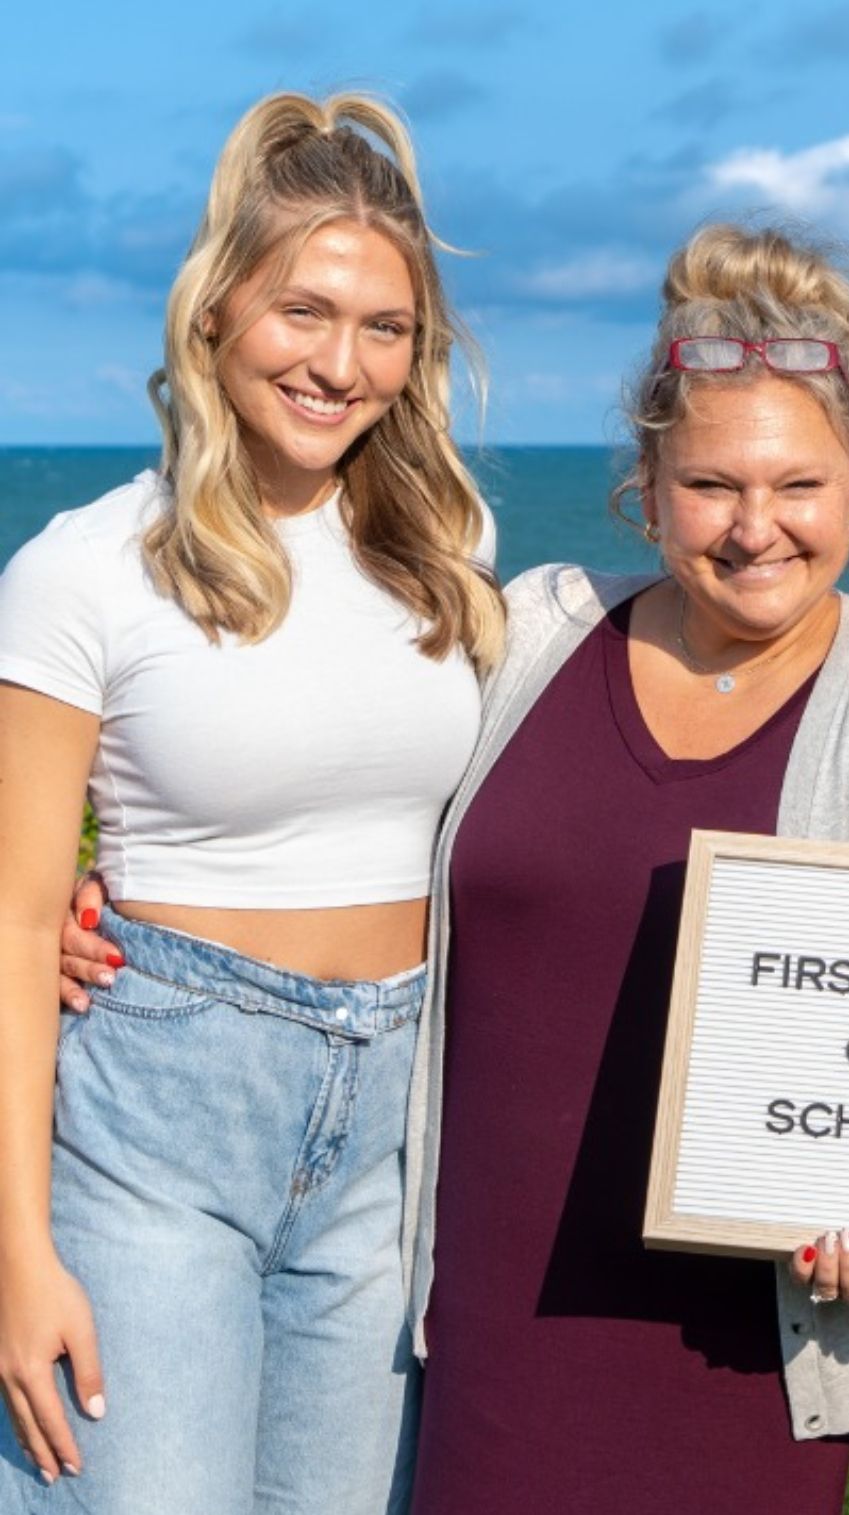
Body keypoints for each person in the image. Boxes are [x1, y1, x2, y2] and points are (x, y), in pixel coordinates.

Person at [398, 224, 849, 1514]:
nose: (754, 530)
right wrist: (129, 900)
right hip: (461, 1323)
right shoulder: (535, 626)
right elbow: (357, 823)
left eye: (798, 485)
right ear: (646, 481)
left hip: (738, 1353)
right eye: (711, 485)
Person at [0, 94, 501, 1512]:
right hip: (159, 1116)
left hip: (396, 1118)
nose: (341, 363)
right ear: (215, 311)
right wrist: (14, 1256)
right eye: (303, 310)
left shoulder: (448, 554)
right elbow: (15, 917)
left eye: (385, 327)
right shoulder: (85, 569)